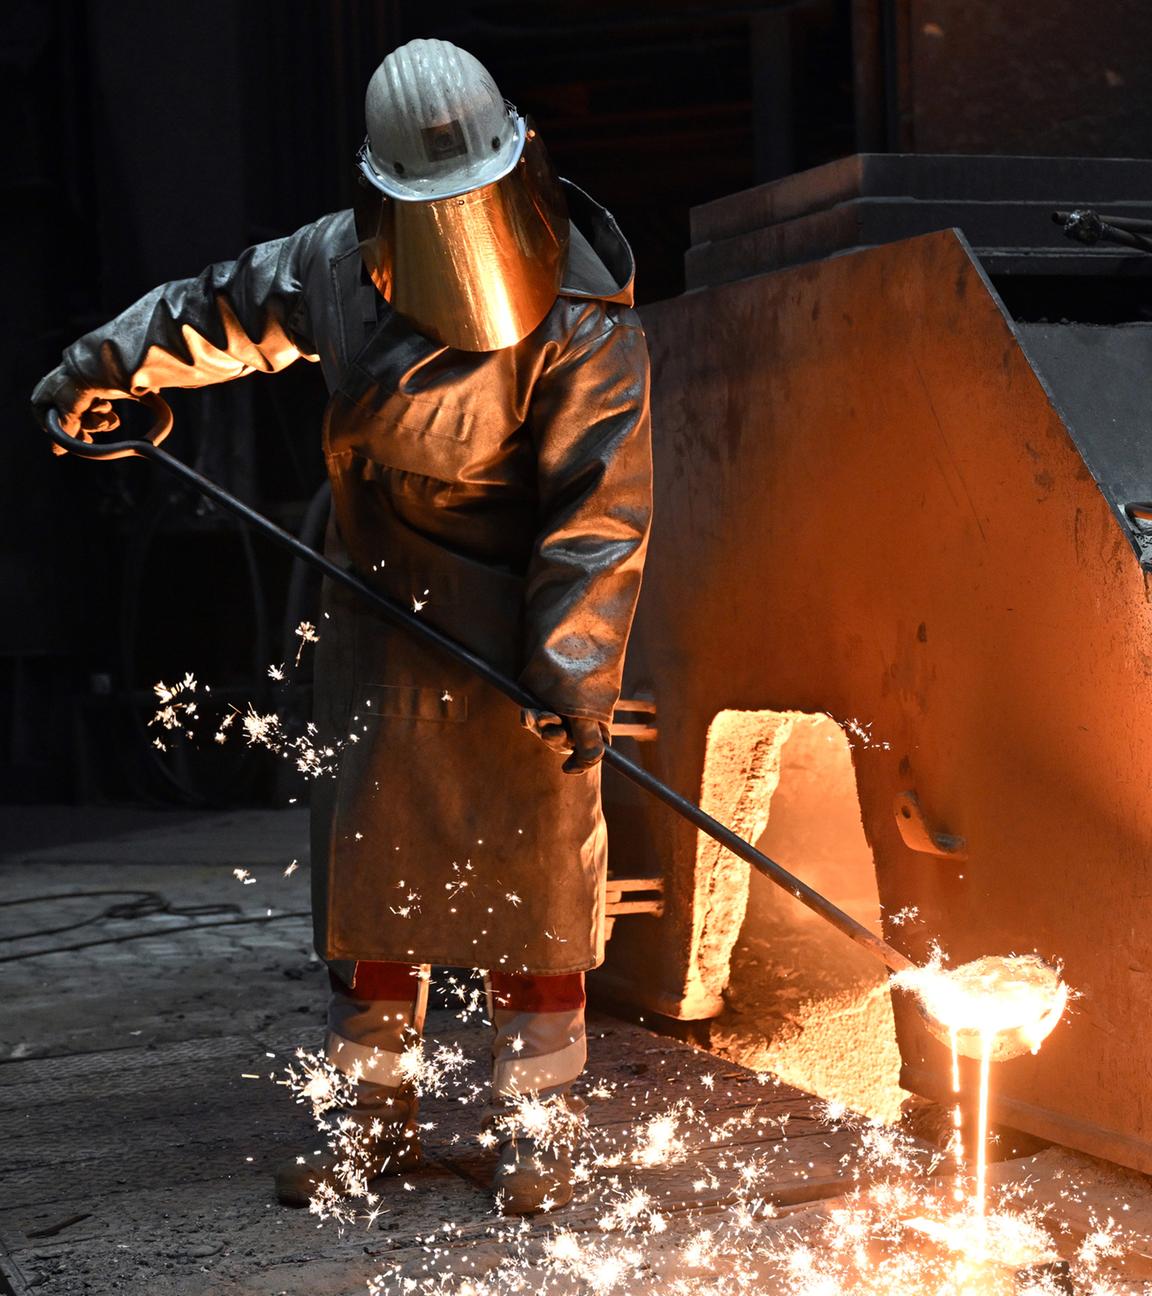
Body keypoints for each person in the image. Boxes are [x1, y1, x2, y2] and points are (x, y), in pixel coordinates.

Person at [31, 38, 652, 1216]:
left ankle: (539, 1126)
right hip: (380, 610)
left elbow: (599, 513)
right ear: (385, 194)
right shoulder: (339, 263)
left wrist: (573, 665)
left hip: (520, 632)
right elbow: (214, 308)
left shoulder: (581, 313)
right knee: (375, 884)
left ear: (513, 168)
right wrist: (102, 363)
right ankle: (373, 1121)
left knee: (536, 899)